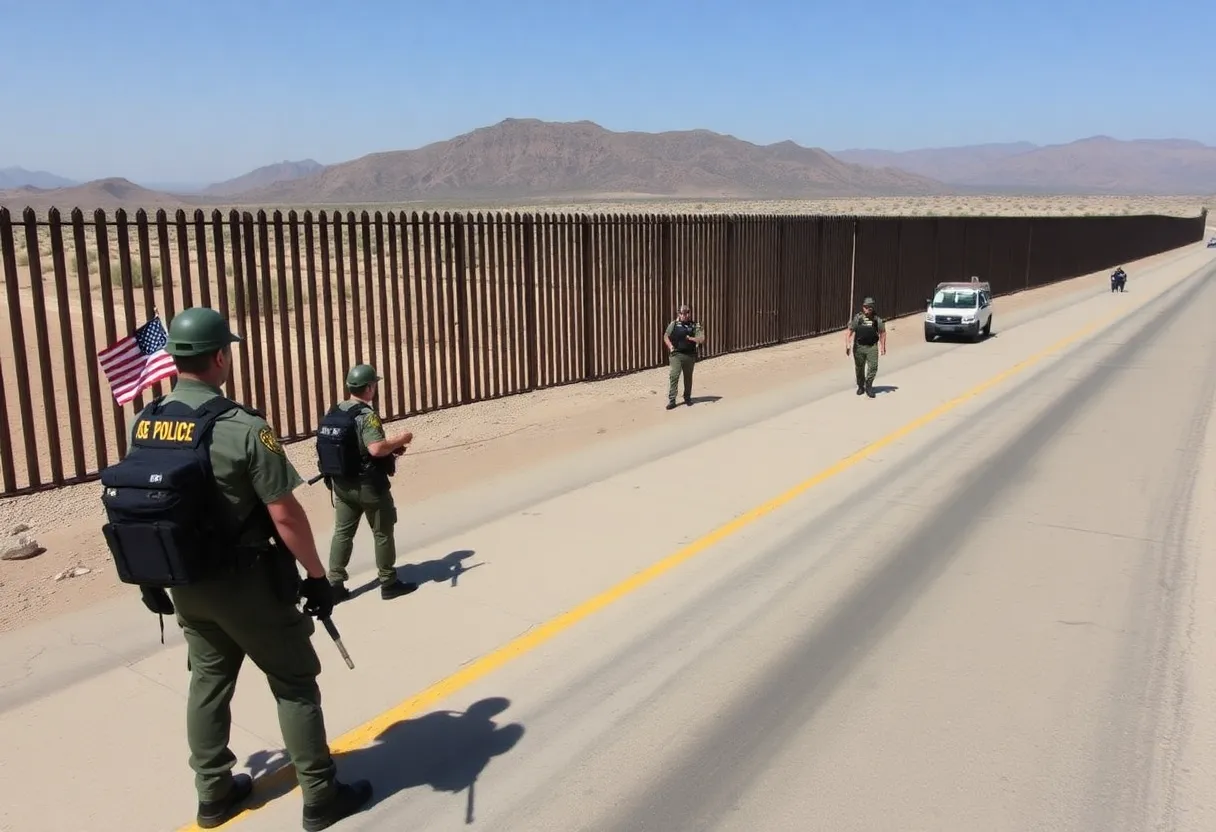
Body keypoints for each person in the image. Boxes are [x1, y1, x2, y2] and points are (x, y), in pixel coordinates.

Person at [101, 307, 372, 831]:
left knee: (207, 680)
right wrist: (317, 577)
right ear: (220, 356)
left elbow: (140, 501)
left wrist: (151, 578)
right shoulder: (242, 426)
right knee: (294, 680)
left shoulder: (146, 420)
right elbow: (285, 513)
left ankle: (214, 792)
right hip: (247, 582)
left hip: (185, 581)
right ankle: (320, 793)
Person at [317, 363, 417, 602]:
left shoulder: (335, 410)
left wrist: (390, 450)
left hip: (341, 484)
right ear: (370, 387)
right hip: (368, 486)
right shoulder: (366, 416)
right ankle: (389, 581)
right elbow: (376, 448)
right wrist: (400, 440)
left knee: (342, 533)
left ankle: (335, 584)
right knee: (383, 532)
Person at [663, 304, 705, 409]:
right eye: (682, 313)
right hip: (676, 354)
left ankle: (687, 398)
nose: (684, 315)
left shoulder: (695, 325)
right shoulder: (674, 324)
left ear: (689, 313)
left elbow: (701, 339)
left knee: (688, 377)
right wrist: (671, 346)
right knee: (674, 375)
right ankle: (672, 400)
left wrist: (690, 338)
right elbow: (666, 336)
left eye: (686, 313)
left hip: (690, 355)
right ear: (679, 314)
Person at [845, 296, 887, 398]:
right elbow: (849, 332)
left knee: (873, 367)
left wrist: (883, 346)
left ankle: (869, 385)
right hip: (859, 347)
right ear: (863, 307)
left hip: (872, 347)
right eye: (865, 307)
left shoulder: (877, 320)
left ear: (872, 308)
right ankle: (860, 386)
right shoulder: (858, 318)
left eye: (869, 307)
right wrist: (848, 345)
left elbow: (883, 332)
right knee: (859, 368)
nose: (867, 309)